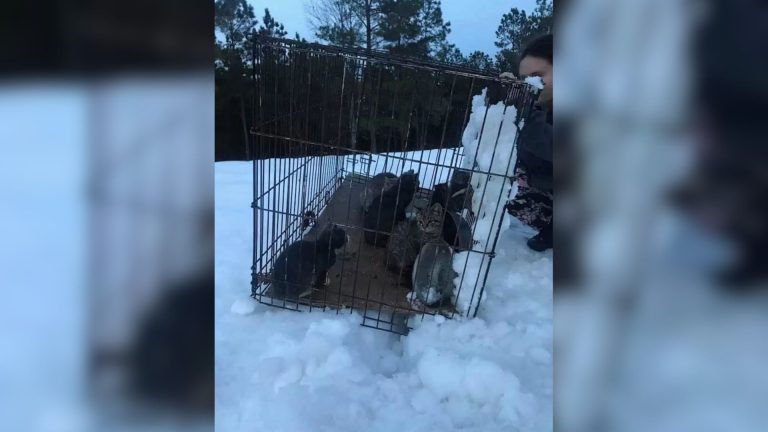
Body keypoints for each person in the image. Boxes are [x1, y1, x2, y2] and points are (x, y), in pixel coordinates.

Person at [503, 34, 554, 252]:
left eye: (537, 76)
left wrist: (525, 107)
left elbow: (545, 143)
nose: (530, 84)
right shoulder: (541, 107)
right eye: (525, 79)